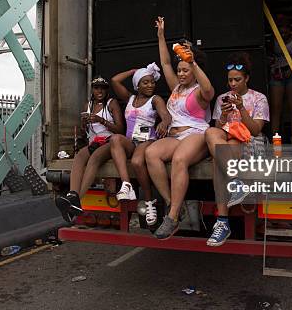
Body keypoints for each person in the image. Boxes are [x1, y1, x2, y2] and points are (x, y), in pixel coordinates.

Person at [145, 16, 214, 240]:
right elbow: (165, 63)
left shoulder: (200, 92)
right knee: (151, 153)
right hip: (175, 136)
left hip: (196, 135)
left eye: (185, 70)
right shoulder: (176, 88)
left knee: (179, 160)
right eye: (180, 70)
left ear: (194, 70)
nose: (181, 73)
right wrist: (161, 36)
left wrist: (192, 61)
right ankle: (172, 203)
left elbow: (209, 89)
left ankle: (173, 217)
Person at [204, 52, 269, 246]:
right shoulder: (222, 98)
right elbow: (218, 129)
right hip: (227, 142)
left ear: (247, 78)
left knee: (219, 158)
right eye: (230, 80)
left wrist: (241, 108)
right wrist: (223, 116)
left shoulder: (259, 98)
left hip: (248, 142)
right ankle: (236, 183)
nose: (232, 84)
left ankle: (223, 222)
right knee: (209, 134)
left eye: (237, 80)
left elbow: (256, 129)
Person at [108, 63, 171, 226]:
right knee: (115, 139)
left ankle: (149, 202)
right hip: (131, 141)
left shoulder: (155, 99)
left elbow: (165, 115)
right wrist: (132, 71)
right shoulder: (130, 98)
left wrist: (163, 122)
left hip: (147, 140)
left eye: (152, 82)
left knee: (137, 162)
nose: (150, 85)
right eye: (145, 82)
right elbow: (114, 81)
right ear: (137, 85)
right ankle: (126, 184)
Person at [55, 77, 125, 223]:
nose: (99, 91)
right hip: (94, 141)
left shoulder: (112, 103)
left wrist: (101, 121)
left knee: (94, 158)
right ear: (92, 89)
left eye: (103, 88)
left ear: (107, 90)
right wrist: (84, 123)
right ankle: (72, 195)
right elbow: (85, 132)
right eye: (96, 88)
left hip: (110, 142)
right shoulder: (88, 105)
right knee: (80, 156)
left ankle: (77, 200)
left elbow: (120, 129)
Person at [268, 14, 292, 144]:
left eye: (285, 28)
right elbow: (269, 57)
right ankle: (276, 140)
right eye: (280, 28)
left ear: (290, 28)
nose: (283, 32)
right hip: (277, 75)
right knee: (276, 108)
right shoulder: (272, 40)